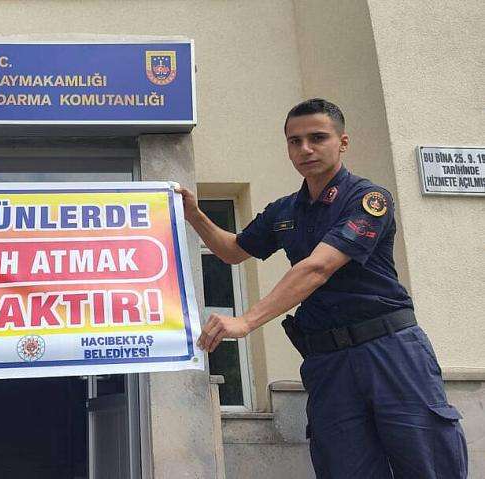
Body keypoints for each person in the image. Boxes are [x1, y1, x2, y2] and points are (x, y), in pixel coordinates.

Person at [177, 99, 467, 478]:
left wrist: (246, 321)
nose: (305, 149)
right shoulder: (284, 211)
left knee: (428, 465)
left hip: (389, 350)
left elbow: (318, 268)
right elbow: (232, 251)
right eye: (294, 141)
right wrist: (195, 215)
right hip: (328, 362)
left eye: (317, 138)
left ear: (342, 142)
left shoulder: (368, 199)